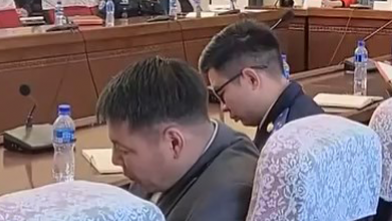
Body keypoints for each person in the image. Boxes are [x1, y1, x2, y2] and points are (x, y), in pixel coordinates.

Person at [96, 56, 258, 221]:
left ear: (174, 143)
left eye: (123, 151)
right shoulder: (190, 152)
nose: (115, 160)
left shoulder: (224, 200)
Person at [199, 20, 323, 150]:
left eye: (221, 95)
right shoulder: (294, 111)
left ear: (252, 79)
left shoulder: (290, 140)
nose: (223, 107)